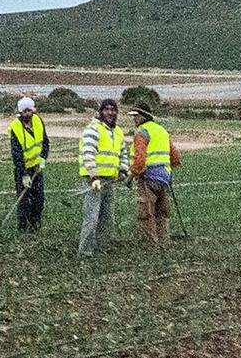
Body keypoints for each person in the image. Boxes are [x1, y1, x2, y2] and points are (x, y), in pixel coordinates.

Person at [77, 98, 127, 258]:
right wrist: (94, 177)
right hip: (95, 180)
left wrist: (123, 170)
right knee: (91, 217)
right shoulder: (93, 129)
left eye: (113, 110)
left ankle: (101, 248)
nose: (110, 113)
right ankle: (85, 252)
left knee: (107, 218)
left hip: (110, 180)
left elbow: (123, 153)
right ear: (101, 112)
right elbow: (88, 153)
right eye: (107, 109)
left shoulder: (118, 131)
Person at [129, 104, 181, 247]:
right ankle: (164, 242)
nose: (134, 119)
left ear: (144, 116)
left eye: (136, 116)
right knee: (162, 212)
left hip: (148, 177)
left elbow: (140, 160)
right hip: (164, 178)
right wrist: (166, 170)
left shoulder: (142, 132)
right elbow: (175, 157)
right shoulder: (162, 131)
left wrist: (131, 175)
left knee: (146, 213)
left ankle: (150, 245)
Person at [8, 97, 48, 232]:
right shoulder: (15, 128)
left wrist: (43, 158)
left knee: (39, 200)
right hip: (23, 170)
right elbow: (17, 153)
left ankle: (35, 226)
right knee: (24, 201)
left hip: (37, 168)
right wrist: (24, 174)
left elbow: (45, 142)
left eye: (29, 110)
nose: (27, 113)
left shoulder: (38, 121)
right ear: (20, 112)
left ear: (33, 110)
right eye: (24, 111)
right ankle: (23, 228)